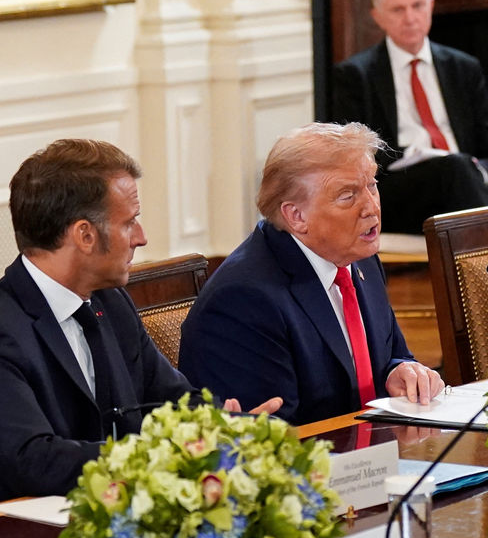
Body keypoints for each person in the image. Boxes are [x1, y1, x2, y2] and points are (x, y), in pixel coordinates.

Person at [0, 140, 280, 499]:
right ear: (85, 235)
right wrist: (160, 456)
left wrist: (236, 429)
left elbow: (174, 402)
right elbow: (32, 460)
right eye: (130, 222)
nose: (141, 238)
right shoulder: (8, 326)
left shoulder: (111, 302)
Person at [179, 122, 444, 426]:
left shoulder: (360, 259)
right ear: (296, 216)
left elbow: (392, 355)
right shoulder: (242, 300)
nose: (371, 207)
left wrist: (400, 370)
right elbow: (274, 435)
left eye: (372, 185)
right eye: (347, 196)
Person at [330, 0, 488, 236]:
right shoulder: (355, 76)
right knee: (452, 167)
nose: (410, 18)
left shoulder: (463, 67)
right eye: (398, 9)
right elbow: (354, 160)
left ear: (431, 5)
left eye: (417, 6)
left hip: (464, 180)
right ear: (377, 16)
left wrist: (476, 172)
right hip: (401, 191)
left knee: (458, 168)